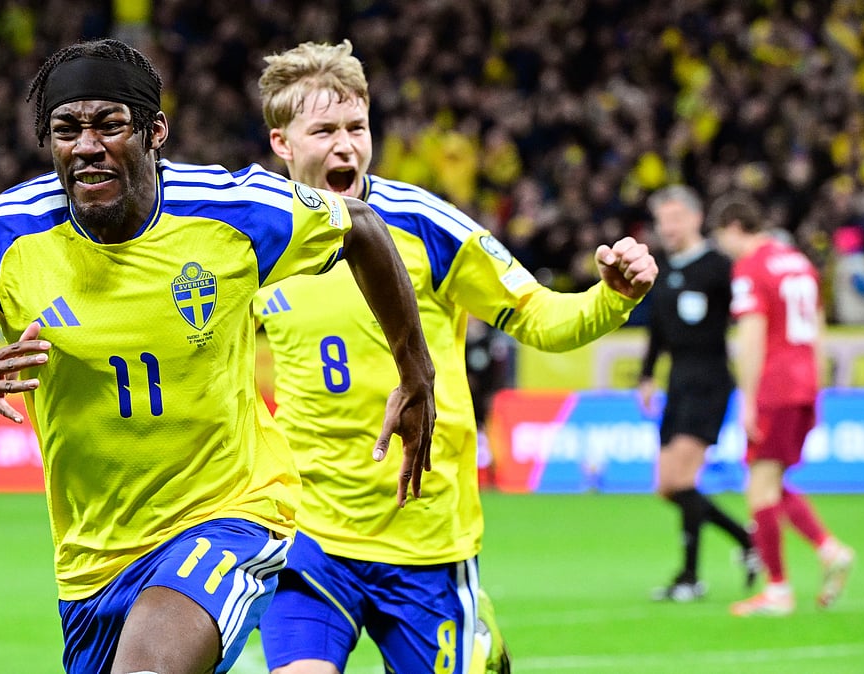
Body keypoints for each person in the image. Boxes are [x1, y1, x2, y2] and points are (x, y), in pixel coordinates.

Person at [0, 38, 437, 674]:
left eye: (109, 125)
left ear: (155, 132)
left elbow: (362, 227)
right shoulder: (0, 238)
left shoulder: (233, 213)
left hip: (229, 514)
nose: (86, 145)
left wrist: (415, 373)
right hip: (94, 559)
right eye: (66, 129)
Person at [251, 40, 657, 673]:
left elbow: (539, 317)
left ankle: (478, 638)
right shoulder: (257, 238)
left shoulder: (423, 225)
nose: (346, 145)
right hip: (309, 535)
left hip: (426, 538)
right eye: (324, 130)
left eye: (357, 127)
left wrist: (611, 297)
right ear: (283, 144)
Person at [711, 195, 855, 617]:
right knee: (771, 480)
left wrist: (749, 398)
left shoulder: (751, 268)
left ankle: (778, 590)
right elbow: (819, 329)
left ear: (735, 226)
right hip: (804, 383)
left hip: (774, 386)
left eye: (723, 236)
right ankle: (828, 550)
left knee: (759, 485)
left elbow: (752, 335)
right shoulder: (799, 262)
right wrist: (819, 384)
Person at [638, 185, 758, 603]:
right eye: (661, 220)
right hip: (678, 384)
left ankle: (690, 577)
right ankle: (746, 540)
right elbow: (657, 329)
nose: (666, 227)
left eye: (674, 218)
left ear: (694, 218)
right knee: (666, 486)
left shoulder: (720, 267)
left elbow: (747, 317)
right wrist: (647, 375)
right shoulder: (665, 267)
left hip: (709, 382)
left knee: (680, 479)